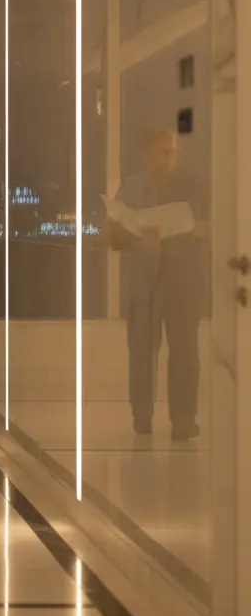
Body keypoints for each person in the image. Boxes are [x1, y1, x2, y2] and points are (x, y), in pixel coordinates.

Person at [106, 127, 207, 441]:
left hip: (182, 282)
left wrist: (187, 230)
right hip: (143, 285)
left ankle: (183, 420)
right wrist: (138, 237)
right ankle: (142, 416)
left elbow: (213, 226)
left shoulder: (194, 185)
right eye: (160, 153)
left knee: (185, 352)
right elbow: (111, 235)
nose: (166, 160)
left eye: (171, 153)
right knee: (141, 351)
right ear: (144, 154)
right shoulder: (132, 189)